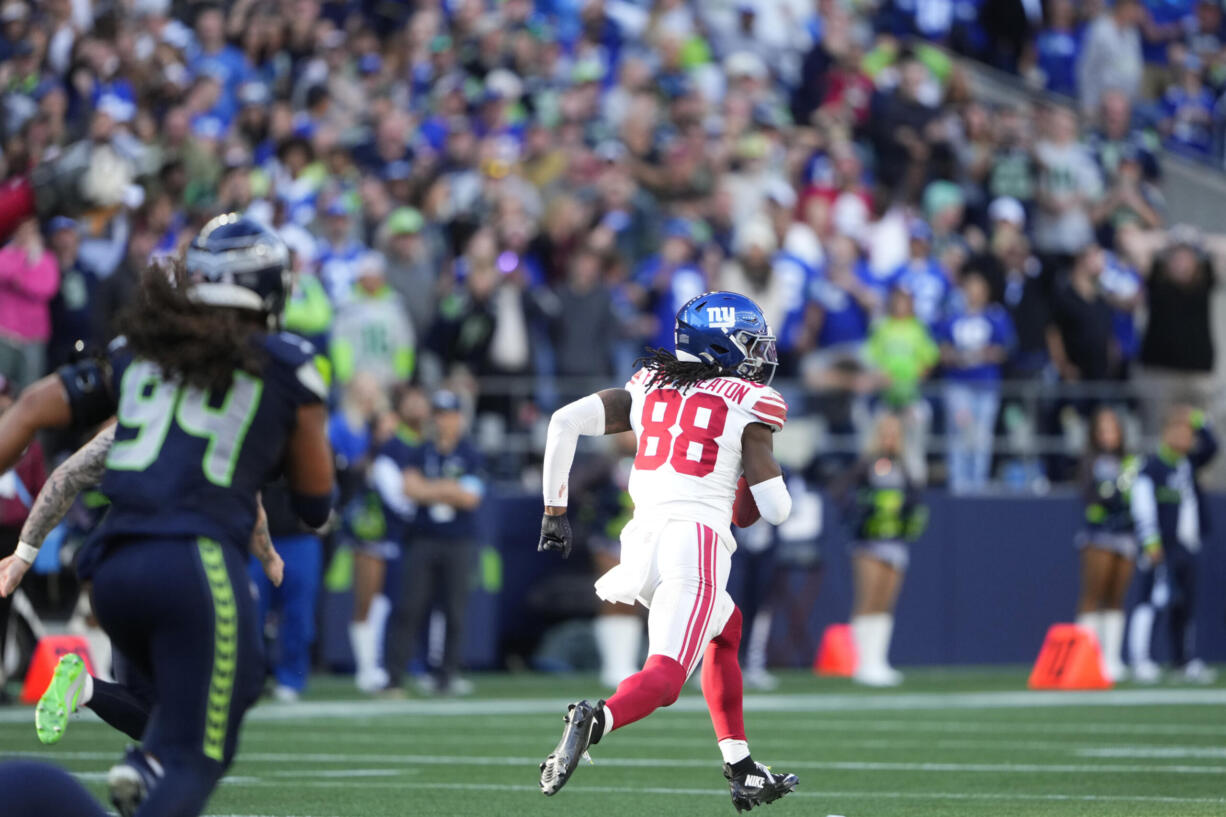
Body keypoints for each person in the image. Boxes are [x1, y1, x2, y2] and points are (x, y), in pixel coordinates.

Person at [0, 214, 334, 817]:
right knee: (198, 753)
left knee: (210, 692)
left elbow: (29, 408)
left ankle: (141, 759)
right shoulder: (287, 362)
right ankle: (154, 764)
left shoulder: (136, 352)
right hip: (195, 560)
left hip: (114, 566)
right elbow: (316, 503)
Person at [536, 291, 799, 810]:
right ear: (719, 346)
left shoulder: (649, 382)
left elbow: (563, 421)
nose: (760, 355)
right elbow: (775, 510)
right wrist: (755, 473)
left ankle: (740, 763)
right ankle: (596, 720)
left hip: (641, 540)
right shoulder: (749, 401)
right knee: (666, 677)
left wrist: (554, 510)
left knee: (727, 627)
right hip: (694, 543)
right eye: (748, 344)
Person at [0, 423, 284, 747]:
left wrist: (24, 554)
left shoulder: (133, 424)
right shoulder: (221, 426)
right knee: (205, 709)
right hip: (183, 570)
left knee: (146, 707)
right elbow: (255, 503)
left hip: (115, 573)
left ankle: (86, 689)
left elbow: (66, 476)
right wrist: (269, 557)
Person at [382, 389, 485, 696]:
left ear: (459, 418)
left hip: (458, 541)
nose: (444, 421)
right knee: (410, 607)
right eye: (439, 415)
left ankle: (446, 675)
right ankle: (394, 677)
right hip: (423, 538)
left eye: (449, 415)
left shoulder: (470, 453)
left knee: (454, 610)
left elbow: (470, 498)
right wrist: (448, 488)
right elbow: (409, 488)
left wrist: (431, 489)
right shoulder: (420, 451)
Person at [1128, 405, 1218, 684]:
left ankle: (1183, 660)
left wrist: (1196, 418)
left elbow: (1214, 446)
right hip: (1161, 544)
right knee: (1153, 600)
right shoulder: (1152, 466)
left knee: (1185, 605)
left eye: (1187, 433)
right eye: (1177, 430)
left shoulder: (1188, 463)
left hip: (1187, 545)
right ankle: (1140, 659)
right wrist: (1150, 540)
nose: (1184, 437)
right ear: (1165, 433)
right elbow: (1142, 503)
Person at [836, 413, 928, 687]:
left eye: (894, 432)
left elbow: (916, 496)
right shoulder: (866, 463)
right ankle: (863, 664)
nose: (890, 438)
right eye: (885, 432)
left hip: (896, 542)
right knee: (869, 599)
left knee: (886, 603)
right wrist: (860, 512)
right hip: (869, 542)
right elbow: (840, 490)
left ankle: (879, 661)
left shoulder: (905, 464)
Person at [938, 271, 1015, 493]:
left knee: (982, 435)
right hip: (958, 384)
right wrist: (961, 357)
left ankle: (978, 483)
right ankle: (958, 483)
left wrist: (978, 355)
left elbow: (1004, 349)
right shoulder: (951, 317)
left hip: (986, 385)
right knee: (960, 432)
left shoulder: (996, 317)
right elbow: (941, 351)